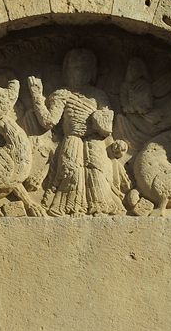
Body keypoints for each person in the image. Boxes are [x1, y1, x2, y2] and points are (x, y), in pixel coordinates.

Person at [27, 49, 127, 216]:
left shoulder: (98, 95)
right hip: (72, 141)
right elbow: (49, 121)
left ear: (92, 71)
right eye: (75, 67)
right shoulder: (62, 94)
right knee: (69, 172)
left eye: (84, 67)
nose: (79, 71)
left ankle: (101, 207)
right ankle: (70, 208)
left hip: (95, 142)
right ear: (67, 70)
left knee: (98, 173)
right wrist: (36, 95)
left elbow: (107, 126)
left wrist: (97, 121)